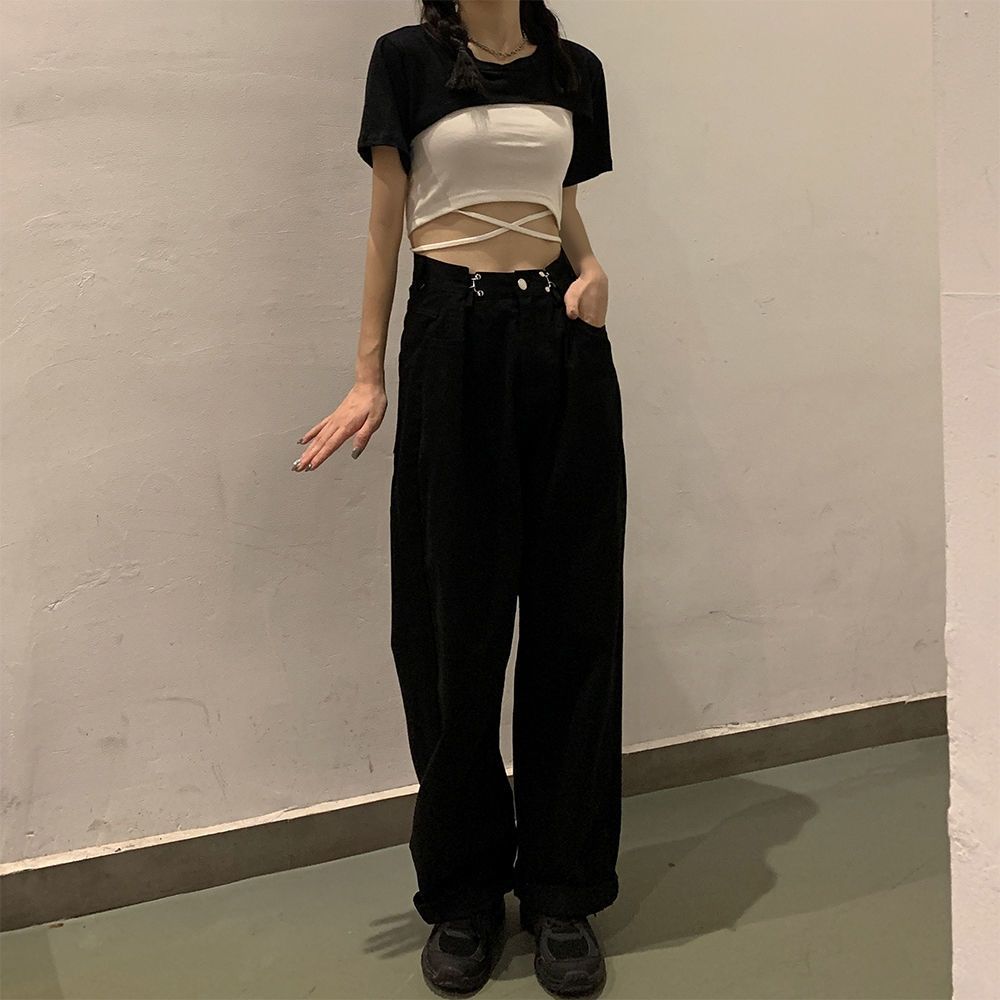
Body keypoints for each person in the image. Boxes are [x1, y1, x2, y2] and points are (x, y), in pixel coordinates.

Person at [294, 2, 626, 996]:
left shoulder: (573, 67)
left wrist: (592, 267)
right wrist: (367, 373)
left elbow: (558, 203)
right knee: (453, 623)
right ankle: (466, 891)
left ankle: (562, 888)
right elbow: (385, 223)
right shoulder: (407, 60)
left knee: (574, 615)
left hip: (562, 343)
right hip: (453, 336)